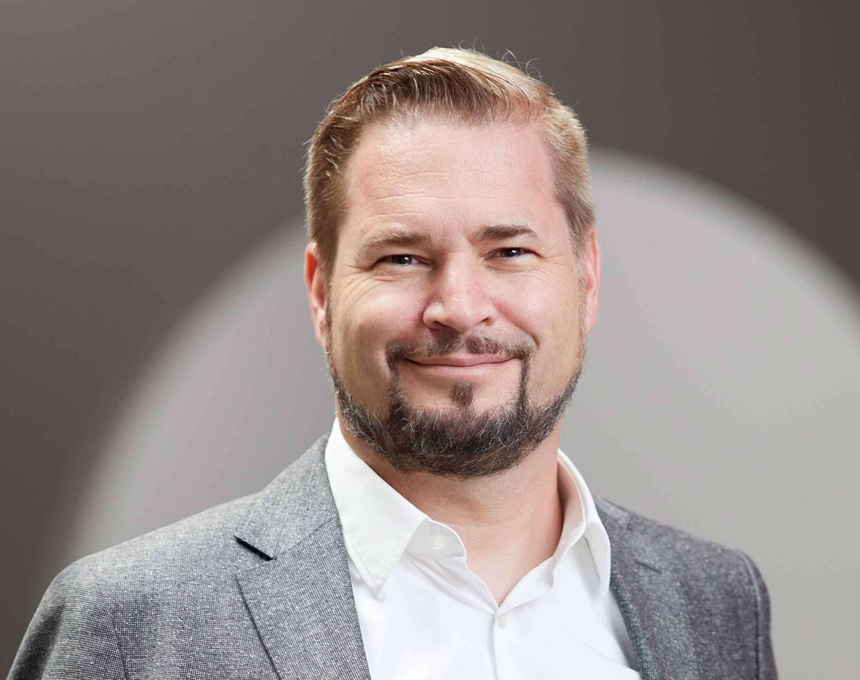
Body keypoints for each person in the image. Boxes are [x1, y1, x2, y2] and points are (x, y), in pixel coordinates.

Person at [9, 48, 778, 680]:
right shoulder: (134, 624)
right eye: (402, 257)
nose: (459, 306)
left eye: (509, 251)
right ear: (321, 293)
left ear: (587, 275)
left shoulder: (714, 605)